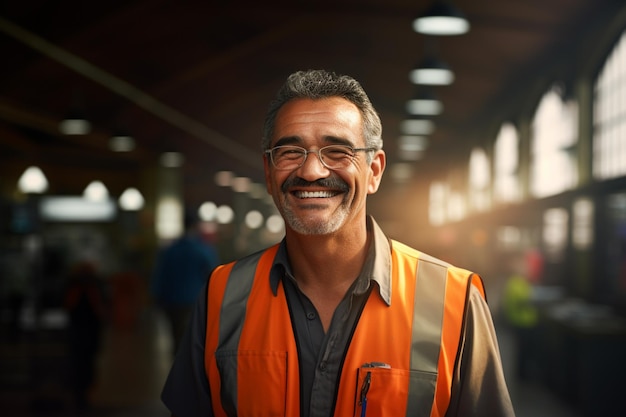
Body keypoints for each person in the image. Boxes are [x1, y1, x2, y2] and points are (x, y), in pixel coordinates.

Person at [161, 69, 515, 416]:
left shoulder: (454, 298)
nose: (311, 171)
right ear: (268, 174)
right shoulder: (223, 294)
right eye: (289, 151)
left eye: (337, 151)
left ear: (374, 171)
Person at [152, 209, 220, 356]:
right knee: (195, 340)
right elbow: (215, 276)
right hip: (195, 301)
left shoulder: (170, 250)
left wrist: (157, 298)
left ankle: (178, 369)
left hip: (172, 301)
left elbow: (160, 276)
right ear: (196, 225)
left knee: (176, 337)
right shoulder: (204, 250)